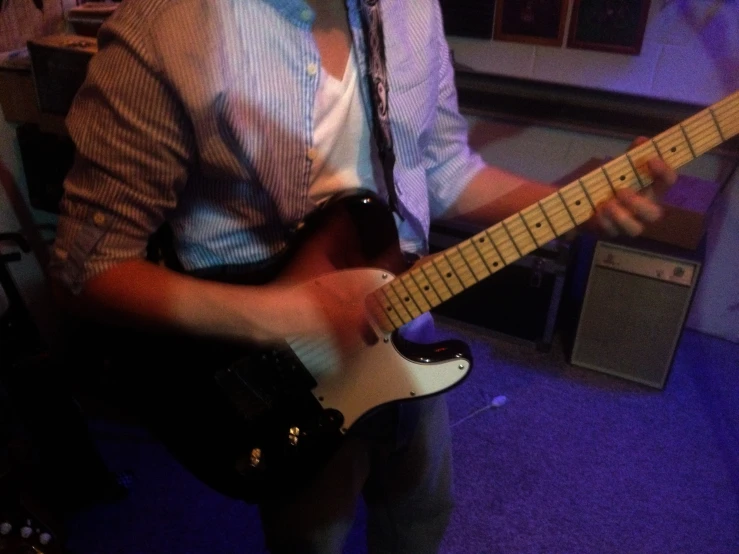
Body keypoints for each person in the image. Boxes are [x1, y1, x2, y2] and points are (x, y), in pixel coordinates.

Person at [48, 0, 677, 552]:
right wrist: (290, 316)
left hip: (406, 322)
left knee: (421, 513)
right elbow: (87, 269)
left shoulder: (413, 10)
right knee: (312, 538)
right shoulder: (163, 27)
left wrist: (576, 203)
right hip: (269, 361)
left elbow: (443, 168)